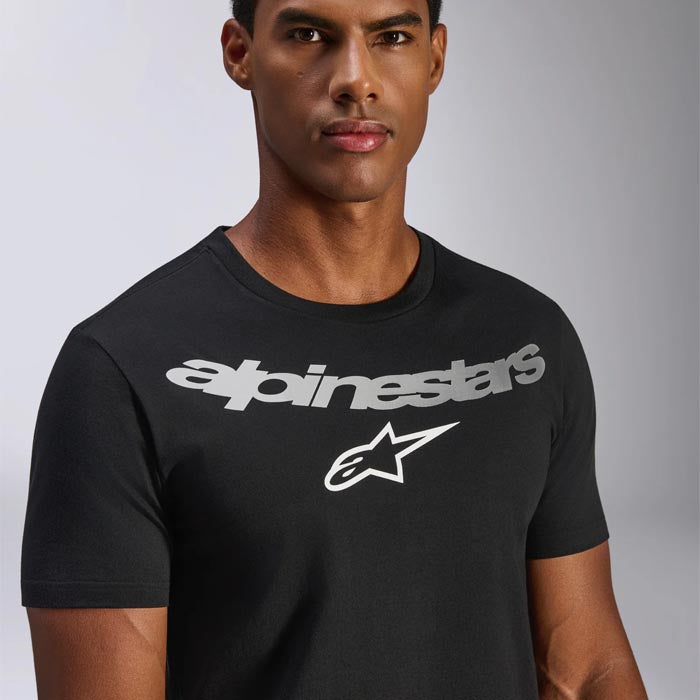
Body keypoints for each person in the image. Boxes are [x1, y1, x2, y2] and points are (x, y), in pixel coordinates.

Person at [20, 1, 648, 698]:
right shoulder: (123, 367)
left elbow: (586, 670)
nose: (356, 79)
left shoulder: (527, 344)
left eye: (392, 36)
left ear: (435, 57)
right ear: (240, 54)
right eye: (309, 34)